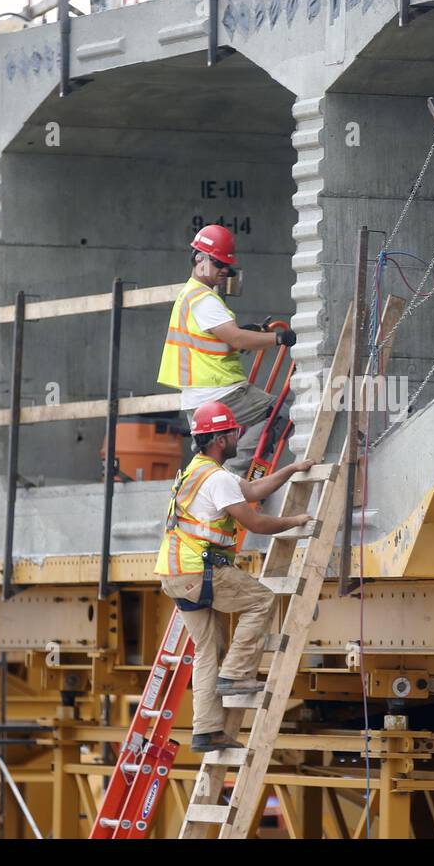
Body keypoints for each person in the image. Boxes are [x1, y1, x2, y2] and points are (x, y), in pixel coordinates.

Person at [154, 400, 315, 753]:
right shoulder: (217, 479)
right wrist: (295, 522)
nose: (237, 439)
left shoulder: (195, 472)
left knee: (207, 650)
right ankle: (236, 674)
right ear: (220, 439)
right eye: (233, 433)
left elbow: (255, 491)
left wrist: (291, 470)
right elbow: (255, 522)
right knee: (262, 599)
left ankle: (206, 731)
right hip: (200, 570)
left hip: (176, 573)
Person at [157, 224, 297, 471]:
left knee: (209, 452)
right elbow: (238, 340)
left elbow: (219, 337)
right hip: (222, 393)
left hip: (197, 398)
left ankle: (209, 487)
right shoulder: (205, 299)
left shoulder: (189, 295)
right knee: (279, 414)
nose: (225, 271)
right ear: (199, 259)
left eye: (227, 266)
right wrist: (279, 338)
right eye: (219, 264)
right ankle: (237, 478)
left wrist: (250, 332)